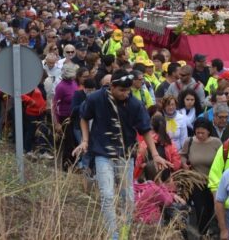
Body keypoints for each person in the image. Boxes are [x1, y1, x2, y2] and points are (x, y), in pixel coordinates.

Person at [72, 69, 172, 240]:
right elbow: (84, 117)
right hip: (102, 153)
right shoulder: (96, 98)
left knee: (128, 198)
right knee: (107, 195)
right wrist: (85, 141)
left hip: (125, 155)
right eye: (122, 90)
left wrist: (155, 155)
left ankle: (125, 233)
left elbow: (145, 130)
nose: (126, 94)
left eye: (128, 90)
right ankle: (113, 235)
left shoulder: (135, 104)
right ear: (112, 86)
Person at [180, 118, 221, 234]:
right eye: (197, 132)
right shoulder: (189, 141)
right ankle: (202, 233)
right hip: (196, 183)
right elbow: (183, 155)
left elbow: (222, 159)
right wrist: (184, 164)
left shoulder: (216, 143)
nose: (200, 135)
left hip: (212, 182)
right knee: (200, 210)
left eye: (203, 133)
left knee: (210, 209)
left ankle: (210, 232)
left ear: (209, 131)